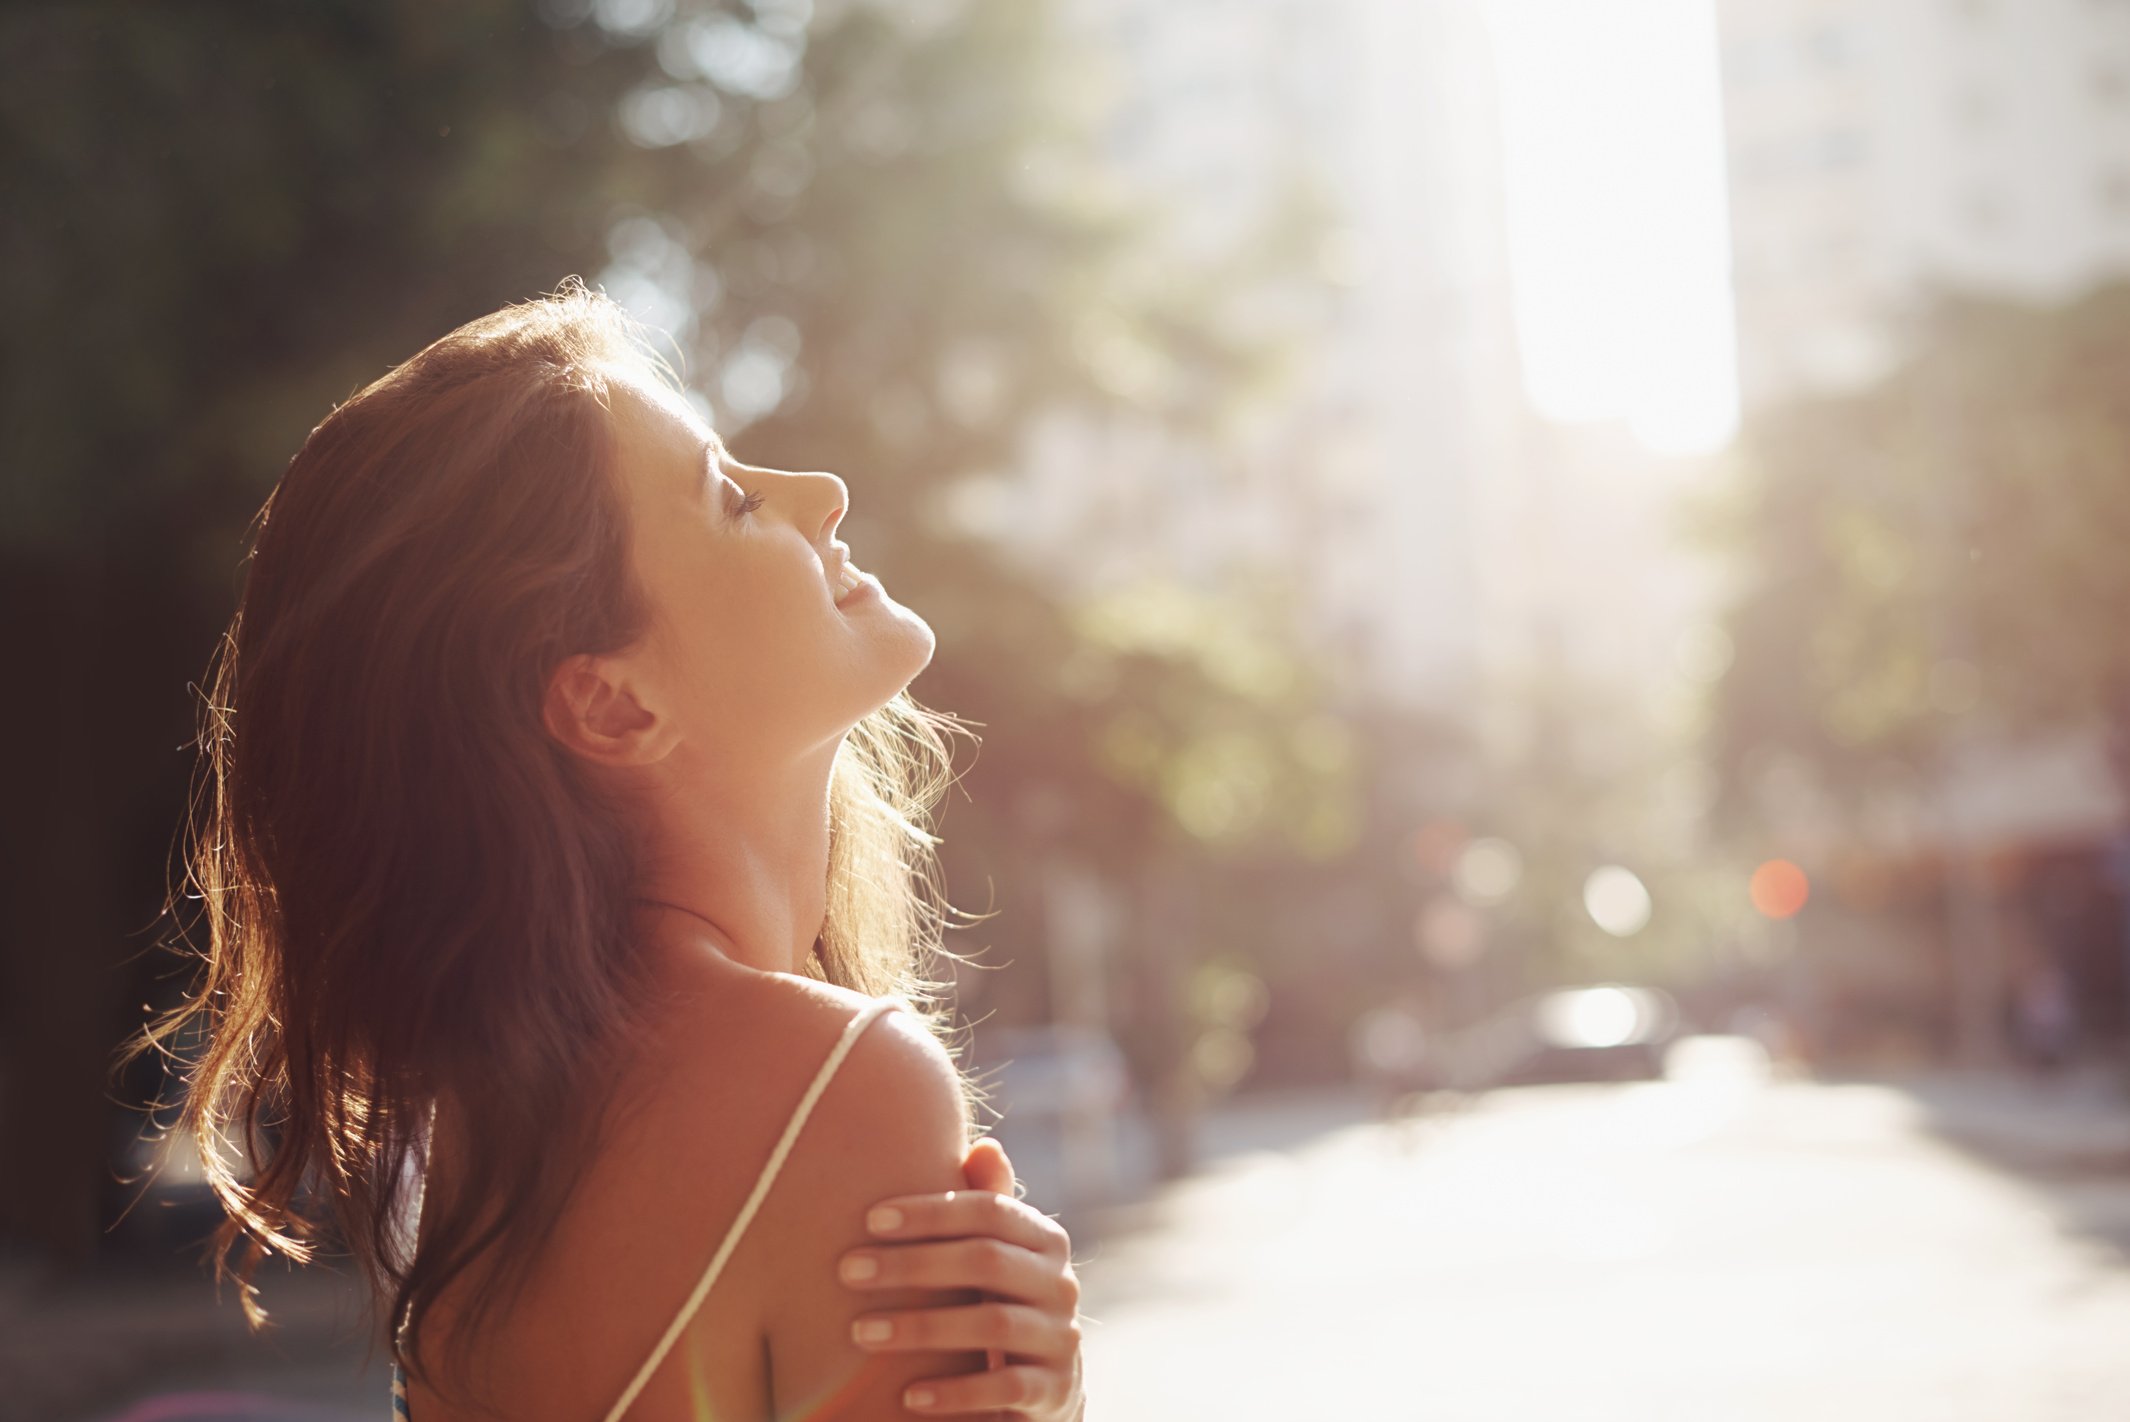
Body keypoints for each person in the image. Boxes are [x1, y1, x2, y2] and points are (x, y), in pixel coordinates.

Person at [136, 284, 1086, 1420]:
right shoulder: (834, 1088)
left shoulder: (502, 1136)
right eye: (731, 499)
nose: (822, 495)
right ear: (613, 705)